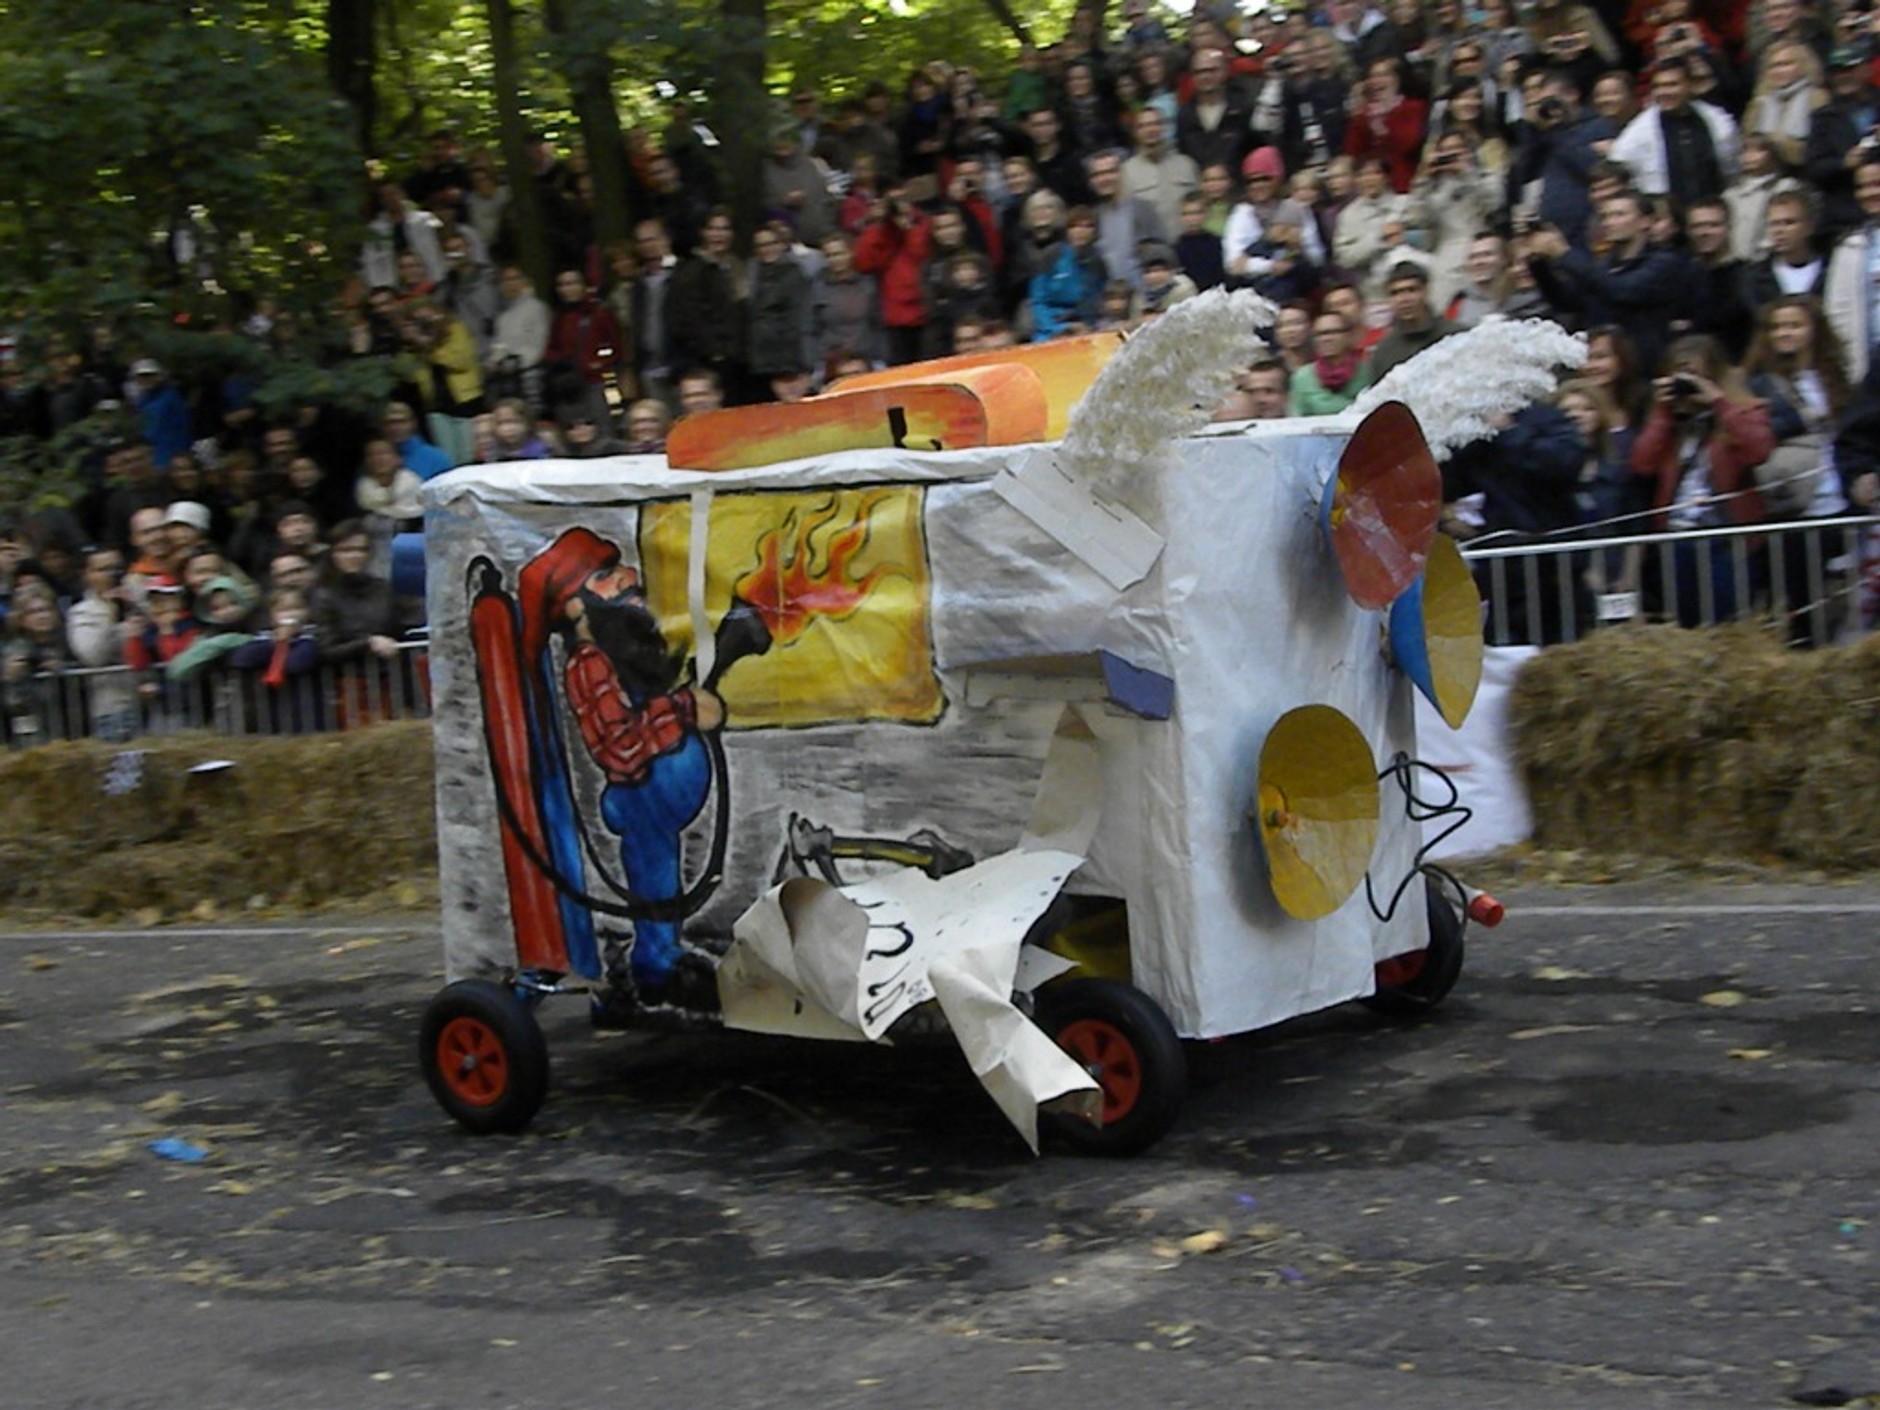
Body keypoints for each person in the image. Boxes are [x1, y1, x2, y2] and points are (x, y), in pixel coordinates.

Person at [1630, 334, 1776, 626]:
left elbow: (1760, 449)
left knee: (1729, 628)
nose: (1687, 384)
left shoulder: (1744, 411)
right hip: (1677, 539)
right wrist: (1663, 411)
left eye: (1695, 376)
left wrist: (1718, 402)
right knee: (1686, 628)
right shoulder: (1670, 422)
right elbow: (1641, 463)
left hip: (1726, 540)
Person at [1743, 295, 1856, 645]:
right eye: (1777, 326)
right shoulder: (1758, 384)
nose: (1785, 333)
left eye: (1794, 325)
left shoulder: (1835, 377)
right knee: (1800, 604)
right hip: (1794, 505)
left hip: (1840, 501)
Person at [1528, 188, 1686, 375]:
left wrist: (1564, 253)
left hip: (1643, 370)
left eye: (1619, 215)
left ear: (1646, 221)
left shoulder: (1664, 262)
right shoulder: (1603, 265)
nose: (1610, 222)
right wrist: (1538, 264)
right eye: (1606, 217)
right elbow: (1567, 302)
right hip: (1603, 368)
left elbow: (1622, 290)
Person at [1608, 56, 1739, 206]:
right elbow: (1620, 173)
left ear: (1690, 85)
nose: (1664, 92)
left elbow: (1732, 171)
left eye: (1672, 85)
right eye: (1658, 86)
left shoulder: (1718, 121)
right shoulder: (1636, 133)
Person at [65, 545, 140, 742]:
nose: (111, 575)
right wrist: (110, 613)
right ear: (87, 575)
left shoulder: (138, 600)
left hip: (154, 702)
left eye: (116, 568)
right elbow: (91, 655)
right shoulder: (83, 612)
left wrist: (139, 607)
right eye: (102, 569)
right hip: (115, 709)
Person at [1824, 153, 1880, 380]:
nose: (1870, 193)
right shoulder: (1848, 247)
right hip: (1867, 373)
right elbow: (1836, 314)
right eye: (1863, 186)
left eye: (1877, 184)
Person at [1367, 262, 1459, 382]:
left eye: (1412, 290)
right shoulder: (1384, 352)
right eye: (1396, 293)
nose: (1404, 299)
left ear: (1425, 291)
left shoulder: (1456, 336)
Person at [1029, 205, 1108, 341]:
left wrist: (1087, 325)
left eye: (1087, 226)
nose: (1080, 231)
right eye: (1074, 226)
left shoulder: (1098, 263)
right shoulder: (1051, 256)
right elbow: (1038, 301)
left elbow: (1098, 301)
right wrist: (1056, 329)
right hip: (1052, 326)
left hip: (1084, 326)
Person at [1121, 106, 1199, 242]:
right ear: (1136, 132)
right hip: (1151, 254)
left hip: (1188, 246)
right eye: (1143, 126)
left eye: (1155, 124)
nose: (1150, 130)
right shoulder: (1126, 171)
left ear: (1165, 128)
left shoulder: (1187, 165)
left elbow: (1200, 205)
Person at [1290, 310, 1372, 415]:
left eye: (1333, 332)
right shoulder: (1302, 378)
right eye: (1320, 334)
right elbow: (1296, 418)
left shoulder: (1367, 372)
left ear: (1348, 336)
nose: (1326, 339)